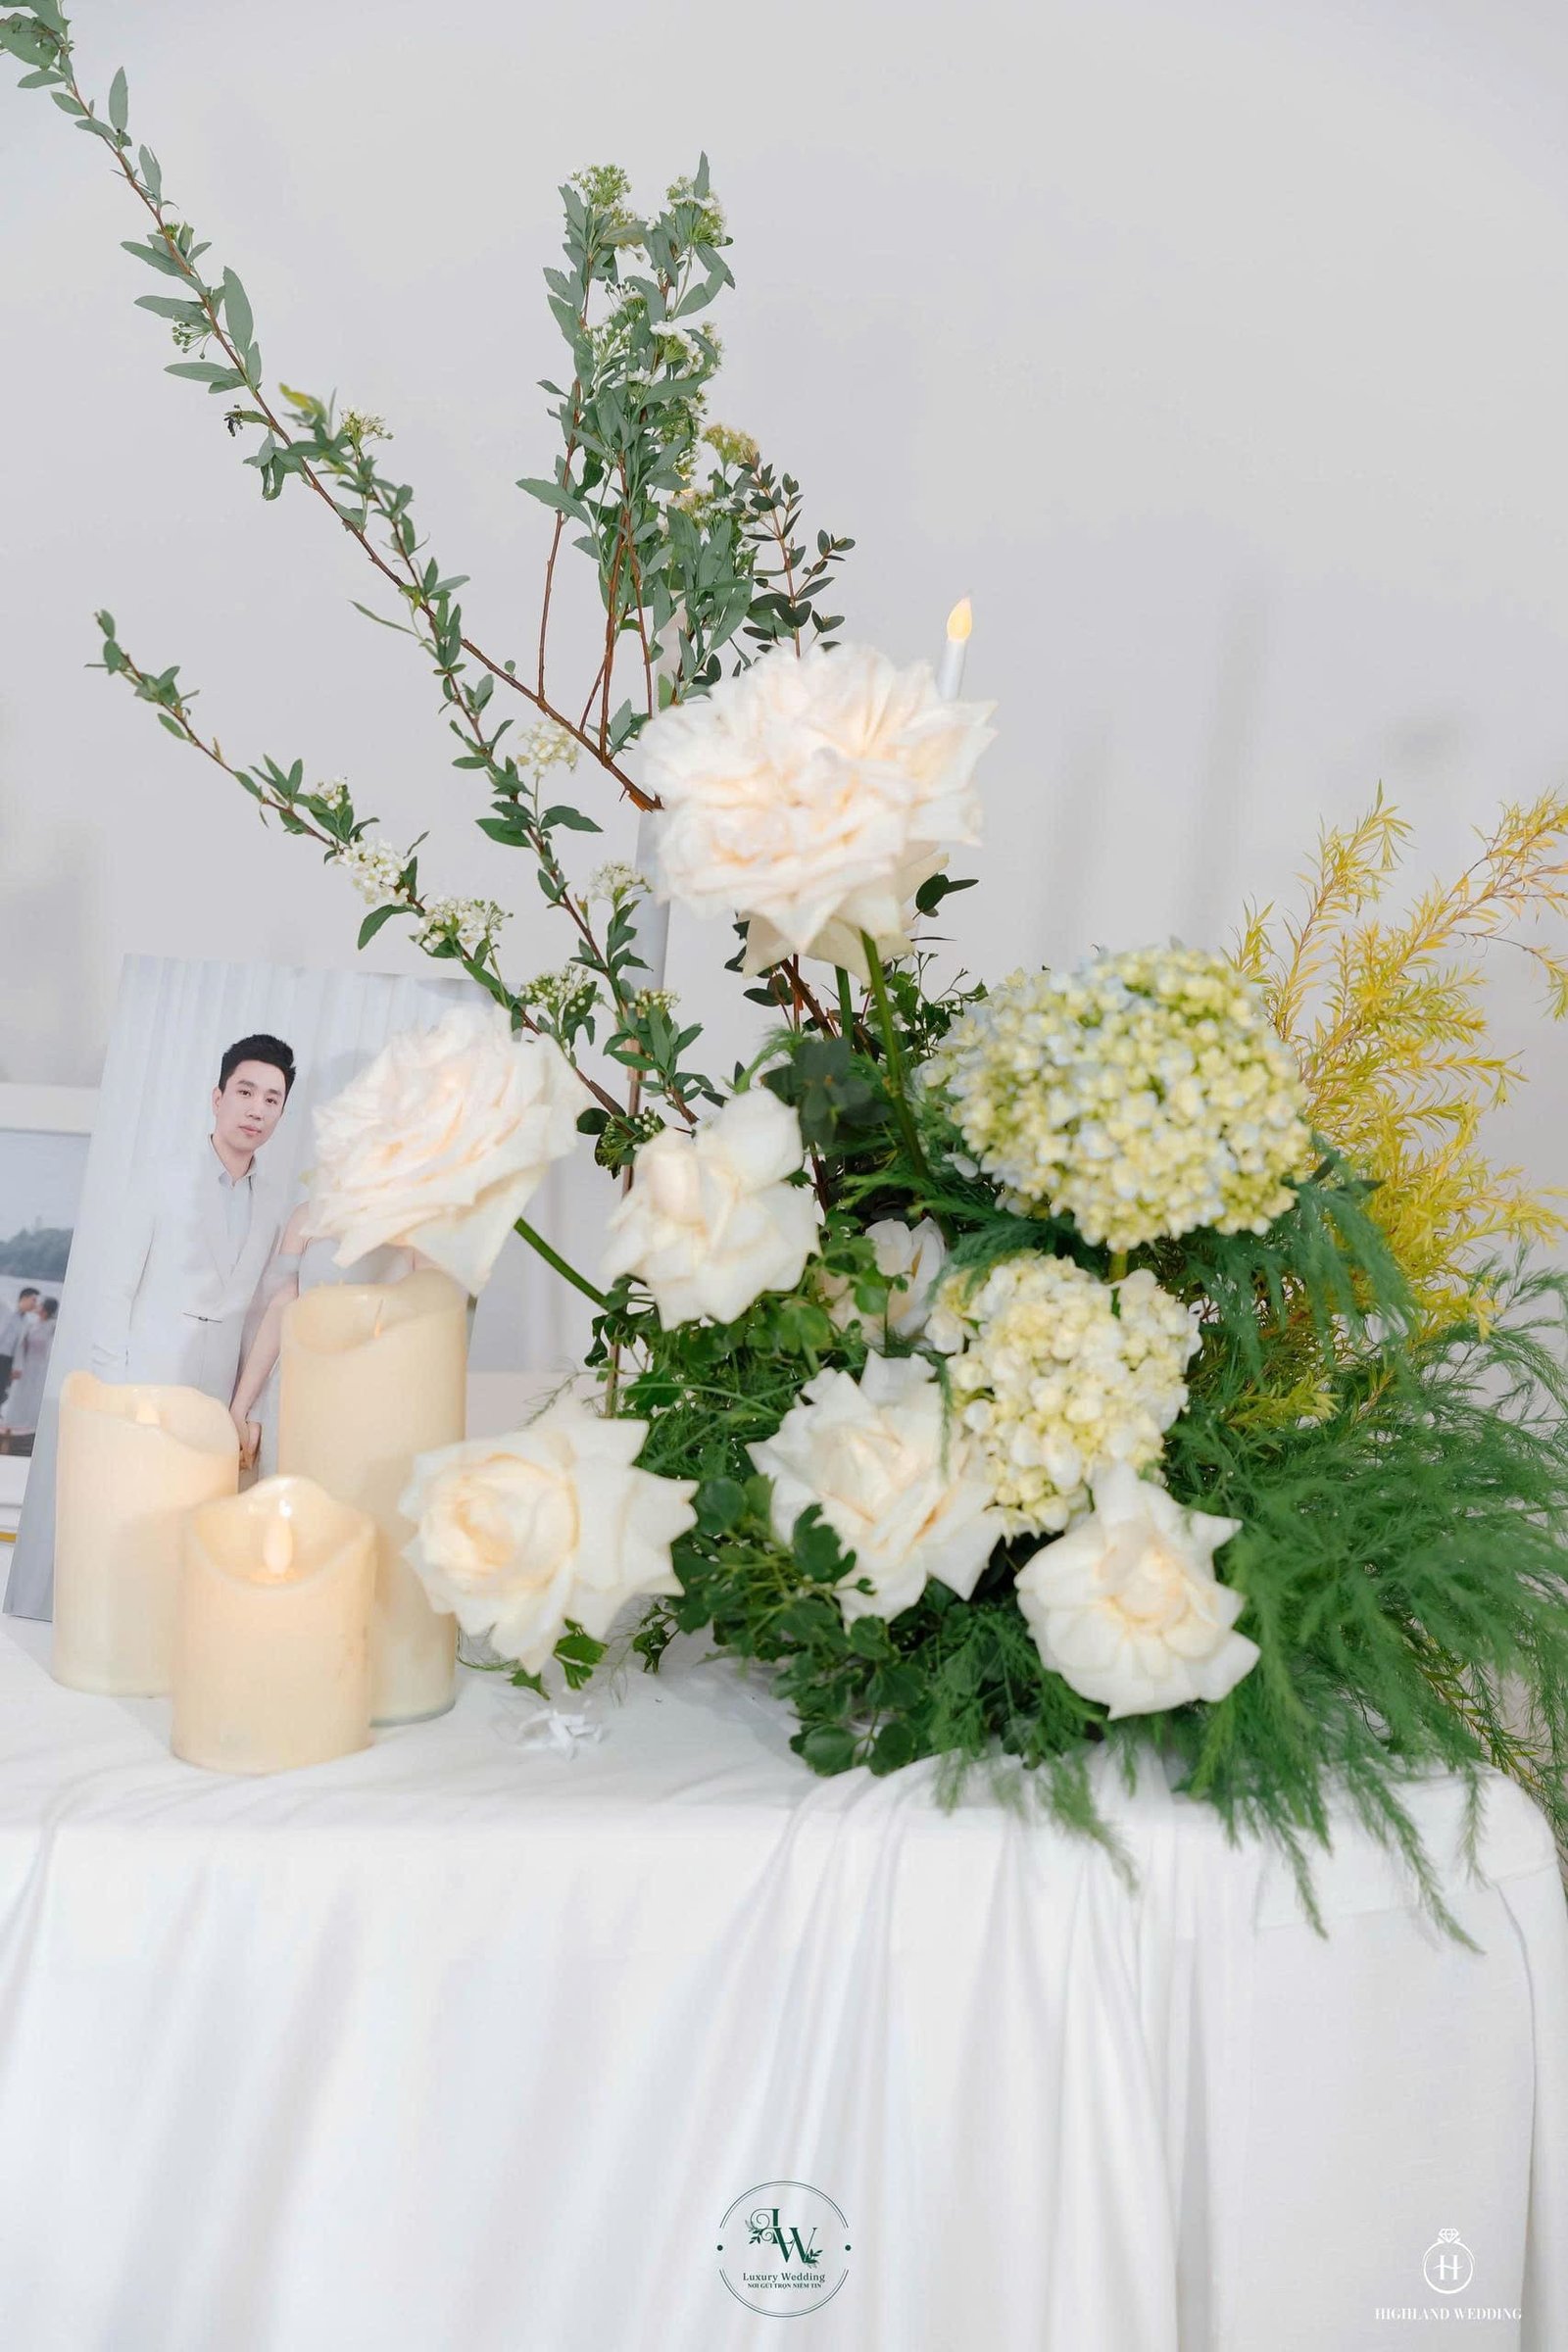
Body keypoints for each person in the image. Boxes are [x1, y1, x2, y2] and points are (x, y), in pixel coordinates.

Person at [92, 1033, 296, 1406]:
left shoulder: (274, 1207)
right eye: (246, 1092)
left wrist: (245, 1407)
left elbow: (257, 1317)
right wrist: (112, 1390)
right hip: (143, 1386)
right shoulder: (160, 1178)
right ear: (218, 1099)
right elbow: (115, 1290)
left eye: (272, 1100)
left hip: (217, 1401)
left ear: (281, 1114)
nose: (257, 1110)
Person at [228, 1202, 416, 1474]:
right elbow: (282, 1307)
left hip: (375, 1396)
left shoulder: (417, 1223)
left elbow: (429, 1310)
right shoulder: (308, 1215)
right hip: (298, 1392)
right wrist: (243, 1407)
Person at [0, 1295, 58, 1454]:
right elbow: (20, 1347)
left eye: (40, 1305)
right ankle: (12, 1423)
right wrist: (17, 1366)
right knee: (19, 1395)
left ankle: (31, 1426)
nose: (37, 1306)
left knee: (35, 1396)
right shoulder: (31, 1325)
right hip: (26, 1366)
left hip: (41, 1368)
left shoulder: (52, 1327)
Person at [0, 1288, 39, 1404]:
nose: (35, 1304)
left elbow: (21, 1347)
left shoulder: (27, 1322)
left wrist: (17, 1367)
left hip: (7, 1360)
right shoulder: (5, 1308)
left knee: (3, 1389)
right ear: (24, 1298)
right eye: (33, 1300)